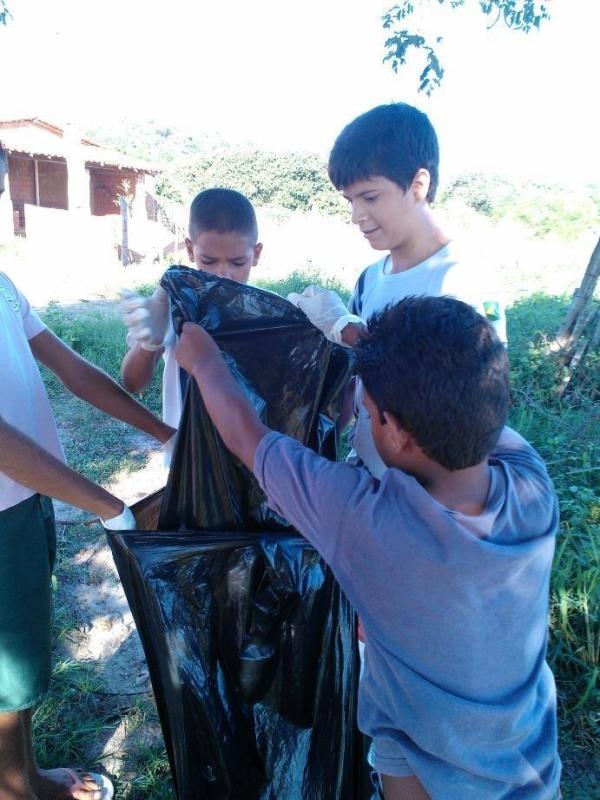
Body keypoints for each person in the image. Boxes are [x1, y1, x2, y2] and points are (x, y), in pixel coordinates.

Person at [173, 296, 561, 800]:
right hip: (522, 755)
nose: (364, 415)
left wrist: (204, 362)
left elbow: (247, 438)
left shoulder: (364, 519)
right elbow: (457, 400)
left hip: (420, 741)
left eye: (370, 411)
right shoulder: (530, 482)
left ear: (396, 431)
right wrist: (355, 336)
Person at [0, 143, 174, 800]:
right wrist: (106, 503)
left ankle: (18, 774)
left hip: (26, 499)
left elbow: (73, 371)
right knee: (10, 668)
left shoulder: (4, 286)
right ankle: (20, 788)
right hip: (3, 510)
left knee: (15, 659)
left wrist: (163, 430)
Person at [289, 102, 507, 479]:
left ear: (418, 185)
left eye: (370, 197)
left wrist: (347, 328)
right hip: (369, 475)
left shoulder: (462, 281)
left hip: (426, 493)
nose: (356, 215)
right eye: (350, 200)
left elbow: (462, 401)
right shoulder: (371, 278)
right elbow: (354, 384)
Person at [120, 187, 263, 434]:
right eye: (208, 261)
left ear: (256, 254)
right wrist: (149, 343)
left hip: (254, 457)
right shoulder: (174, 309)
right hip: (189, 456)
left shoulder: (269, 314)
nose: (222, 274)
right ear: (189, 249)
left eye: (237, 262)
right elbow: (133, 383)